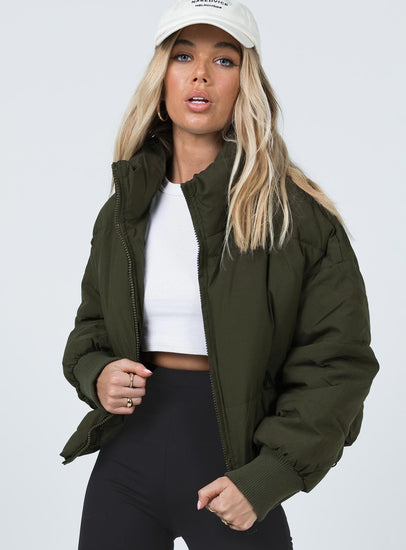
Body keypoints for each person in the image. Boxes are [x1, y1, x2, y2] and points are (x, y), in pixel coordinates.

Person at [60, 1, 380, 548]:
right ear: (162, 76)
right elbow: (91, 327)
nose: (201, 74)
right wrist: (98, 372)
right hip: (127, 466)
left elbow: (337, 365)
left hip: (232, 471)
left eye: (224, 60)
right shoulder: (124, 211)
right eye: (183, 56)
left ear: (245, 83)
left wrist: (269, 477)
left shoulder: (295, 216)